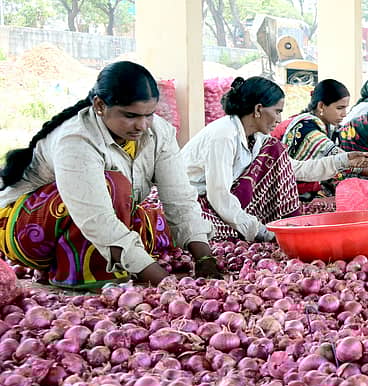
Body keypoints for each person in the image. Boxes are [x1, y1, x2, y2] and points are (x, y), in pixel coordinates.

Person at [0, 61, 219, 288]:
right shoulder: (76, 139)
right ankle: (86, 275)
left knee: (157, 222)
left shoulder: (158, 132)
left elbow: (179, 199)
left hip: (84, 219)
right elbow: (96, 218)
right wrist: (164, 283)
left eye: (149, 115)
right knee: (113, 185)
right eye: (130, 116)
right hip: (29, 231)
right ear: (99, 105)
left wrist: (205, 258)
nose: (142, 126)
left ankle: (92, 259)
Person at [182, 77, 368, 242]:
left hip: (221, 200)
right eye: (277, 111)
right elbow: (219, 196)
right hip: (196, 201)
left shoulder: (257, 138)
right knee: (207, 229)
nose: (279, 118)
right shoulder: (223, 136)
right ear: (258, 109)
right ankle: (266, 228)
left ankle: (270, 225)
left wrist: (344, 160)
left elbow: (296, 169)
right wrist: (261, 232)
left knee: (275, 150)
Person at [280, 79, 368, 193]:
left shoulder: (325, 126)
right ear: (321, 106)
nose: (344, 114)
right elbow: (346, 161)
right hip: (295, 191)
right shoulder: (309, 129)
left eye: (345, 108)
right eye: (340, 108)